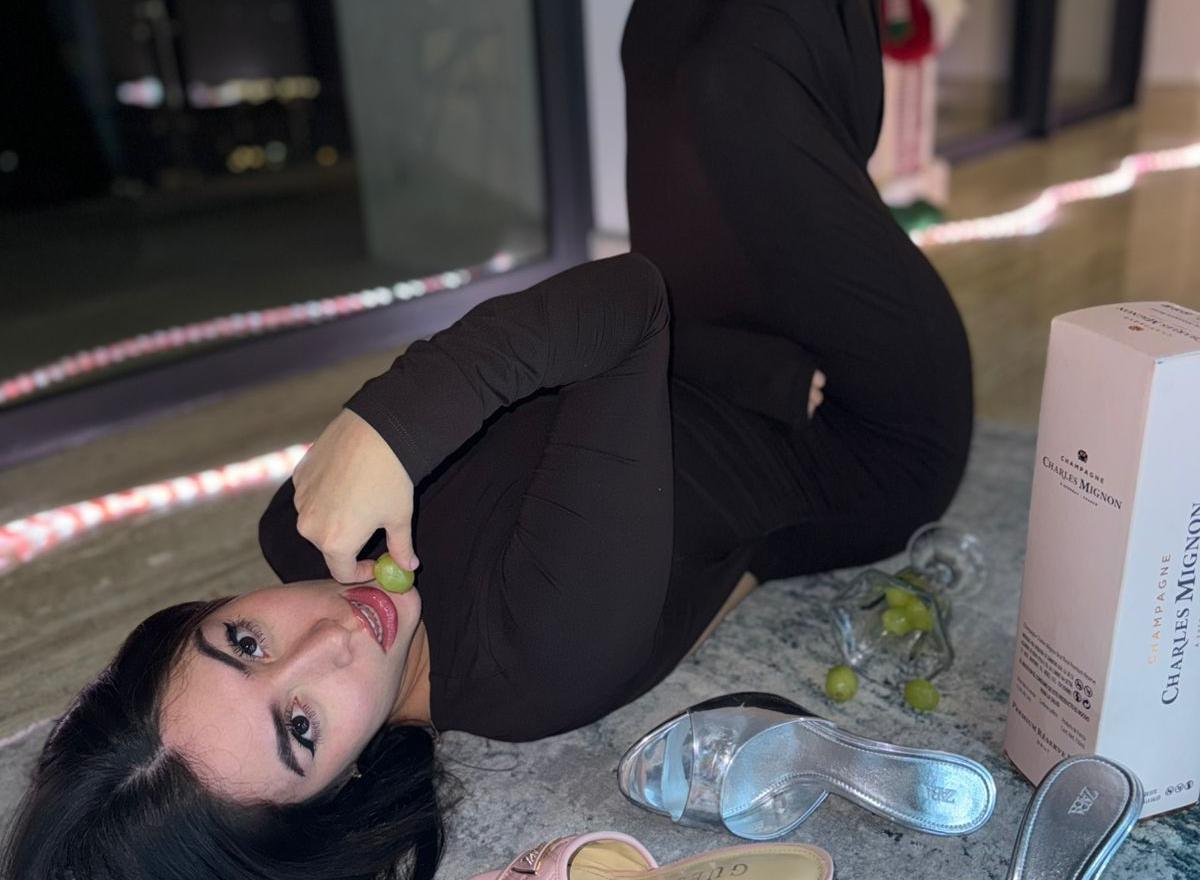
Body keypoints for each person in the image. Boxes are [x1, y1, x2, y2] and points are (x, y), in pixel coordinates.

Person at [0, 1, 972, 878]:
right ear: (342, 795)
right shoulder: (533, 659)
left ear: (197, 614)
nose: (329, 638)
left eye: (244, 641)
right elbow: (627, 305)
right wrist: (389, 424)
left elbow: (601, 348)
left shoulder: (301, 532)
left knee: (661, 33)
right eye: (300, 726)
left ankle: (827, 146)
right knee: (739, 81)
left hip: (720, 355)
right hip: (856, 440)